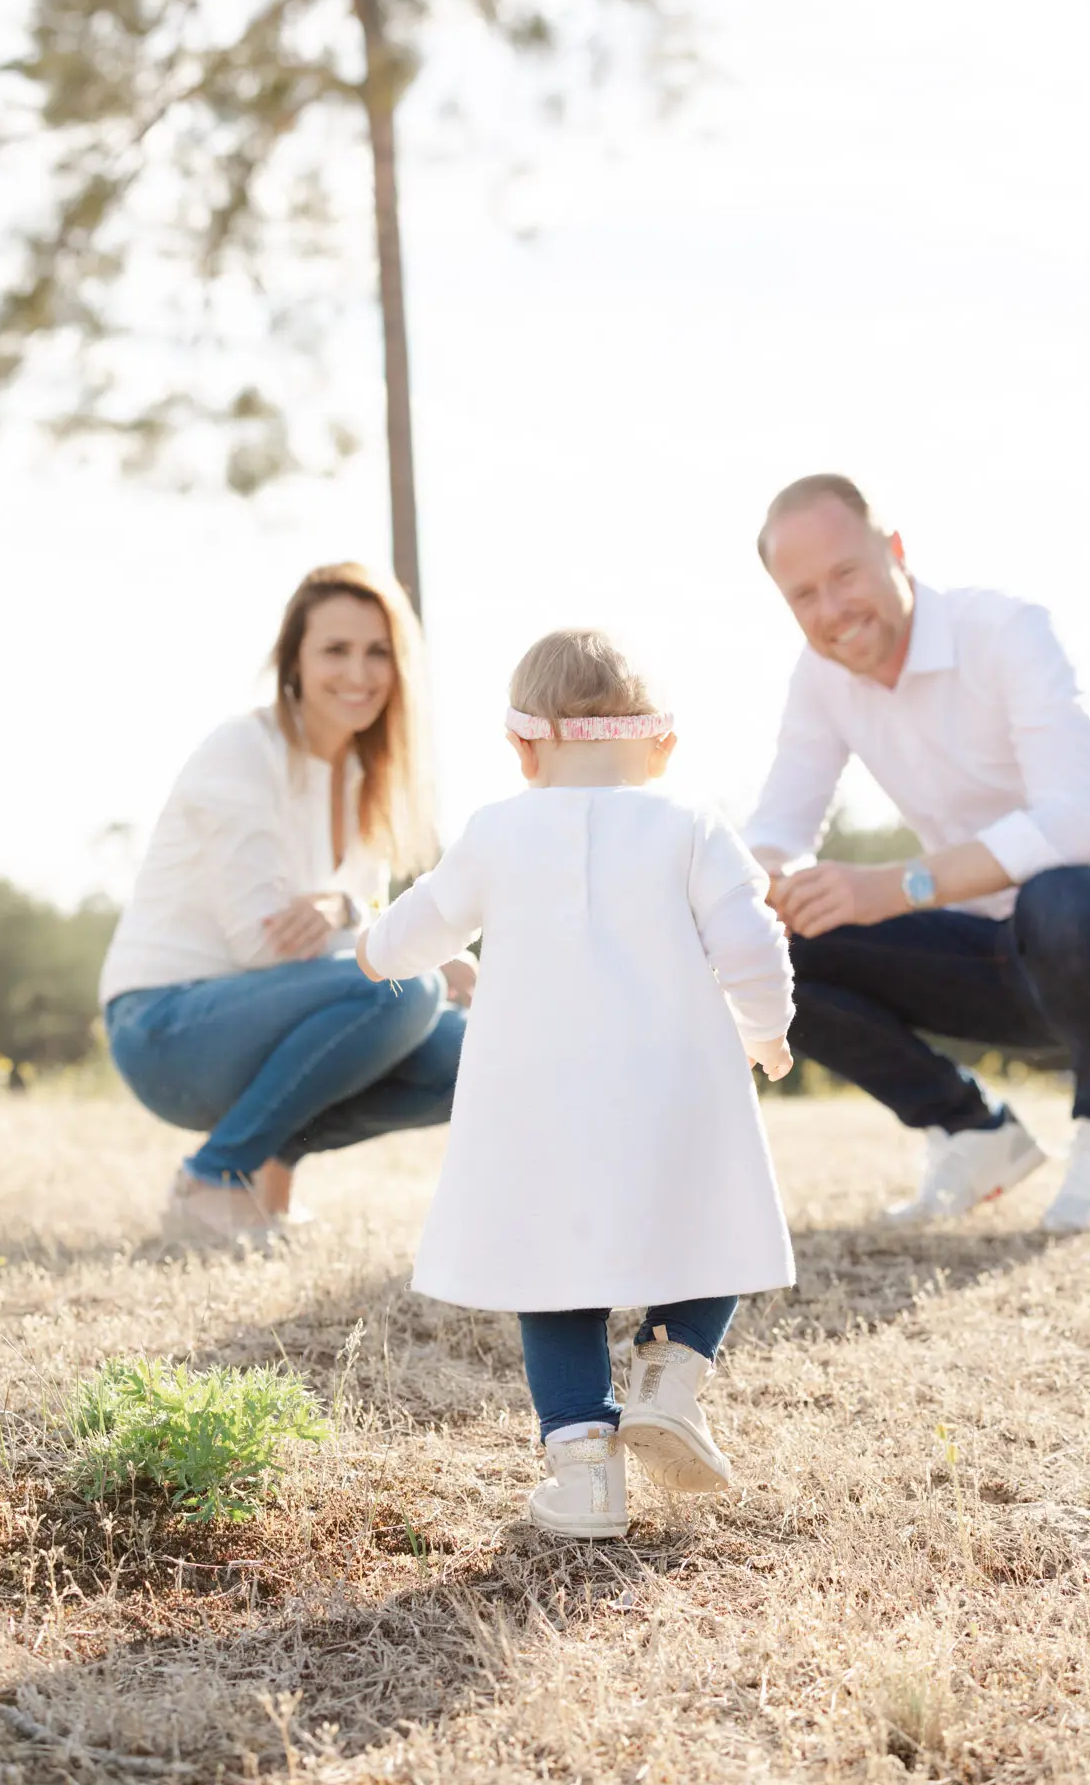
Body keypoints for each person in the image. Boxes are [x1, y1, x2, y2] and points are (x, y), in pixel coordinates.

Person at [356, 628, 796, 1538]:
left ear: (522, 749)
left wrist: (369, 945)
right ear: (661, 746)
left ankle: (584, 1477)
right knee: (713, 1219)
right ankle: (669, 1378)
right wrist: (765, 1031)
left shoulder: (496, 830)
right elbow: (752, 942)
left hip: (535, 1099)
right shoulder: (690, 824)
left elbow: (423, 928)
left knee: (551, 1276)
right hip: (676, 1080)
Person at [745, 474, 1090, 1233]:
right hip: (993, 956)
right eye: (801, 595)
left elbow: (1078, 823)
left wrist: (895, 885)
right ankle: (969, 1130)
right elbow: (777, 827)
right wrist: (758, 887)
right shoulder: (819, 679)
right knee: (766, 942)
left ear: (894, 551)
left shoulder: (1011, 631)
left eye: (844, 575)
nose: (829, 611)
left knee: (1059, 893)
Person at [100, 561, 472, 1242]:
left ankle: (268, 1166)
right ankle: (212, 1178)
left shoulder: (365, 778)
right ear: (294, 660)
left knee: (471, 1051)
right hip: (164, 1025)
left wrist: (428, 953)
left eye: (377, 652)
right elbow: (264, 943)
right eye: (335, 650)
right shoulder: (244, 748)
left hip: (265, 1023)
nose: (358, 674)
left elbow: (351, 936)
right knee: (402, 986)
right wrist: (361, 920)